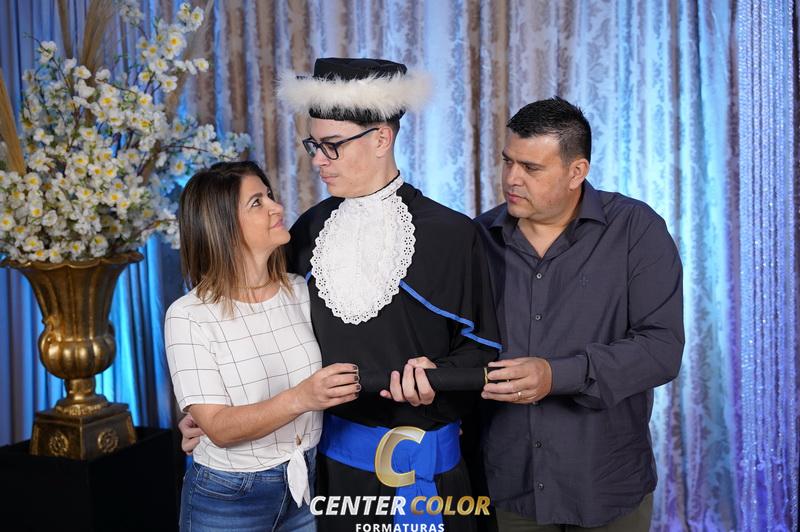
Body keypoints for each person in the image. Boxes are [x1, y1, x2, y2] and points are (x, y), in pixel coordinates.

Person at [476, 97, 684, 531]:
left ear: (577, 172)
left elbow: (661, 349)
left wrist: (557, 375)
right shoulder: (478, 238)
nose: (511, 178)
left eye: (531, 168)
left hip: (605, 484)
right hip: (507, 484)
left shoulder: (636, 229)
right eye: (508, 161)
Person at [165, 161, 360, 531]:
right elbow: (219, 428)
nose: (277, 207)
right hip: (229, 498)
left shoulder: (301, 290)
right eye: (257, 202)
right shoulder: (189, 315)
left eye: (269, 195)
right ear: (221, 226)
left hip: (305, 483)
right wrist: (302, 397)